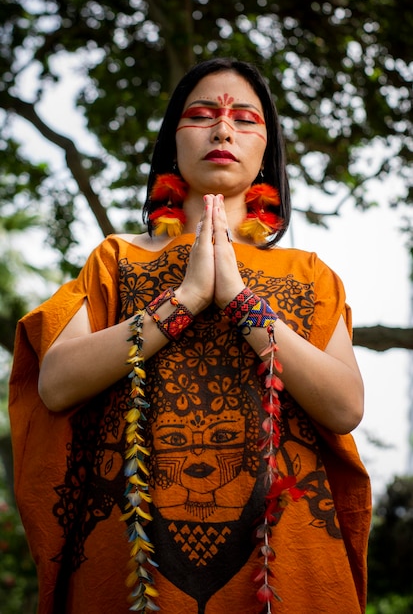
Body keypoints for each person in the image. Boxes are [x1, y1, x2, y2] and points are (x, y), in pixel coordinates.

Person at [9, 58, 371, 614]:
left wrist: (240, 301)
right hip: (133, 577)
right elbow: (56, 383)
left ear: (266, 154)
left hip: (288, 573)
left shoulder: (309, 273)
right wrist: (183, 301)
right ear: (171, 145)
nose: (223, 129)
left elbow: (345, 406)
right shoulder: (114, 258)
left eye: (245, 120)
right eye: (202, 115)